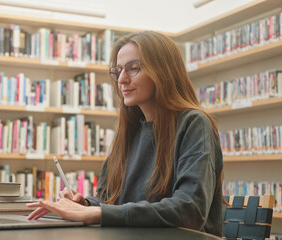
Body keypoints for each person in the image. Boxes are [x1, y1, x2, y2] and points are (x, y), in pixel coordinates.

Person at [27, 31, 224, 236]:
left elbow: (189, 210)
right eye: (118, 70)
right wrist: (86, 204)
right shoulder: (130, 130)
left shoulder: (194, 124)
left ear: (163, 72)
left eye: (133, 68)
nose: (121, 79)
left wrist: (99, 213)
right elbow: (111, 200)